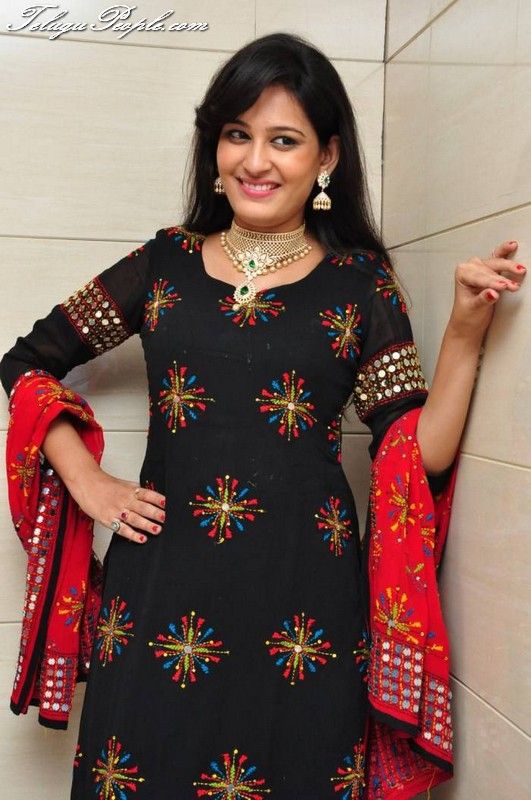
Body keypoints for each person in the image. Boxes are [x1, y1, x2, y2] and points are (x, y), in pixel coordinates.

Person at [0, 31, 525, 800]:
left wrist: (464, 331)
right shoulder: (164, 263)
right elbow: (26, 363)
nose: (255, 161)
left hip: (304, 606)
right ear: (213, 148)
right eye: (236, 134)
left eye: (284, 140)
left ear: (326, 158)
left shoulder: (360, 284)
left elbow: (417, 455)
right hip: (160, 592)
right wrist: (87, 479)